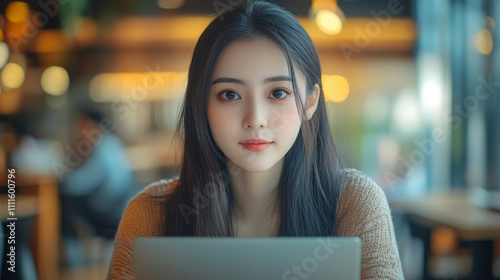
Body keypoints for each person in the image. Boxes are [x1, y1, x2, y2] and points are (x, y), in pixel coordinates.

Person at [107, 1, 403, 279]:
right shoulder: (149, 215)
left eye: (278, 93)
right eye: (230, 95)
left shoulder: (354, 204)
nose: (255, 118)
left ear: (311, 101)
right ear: (202, 104)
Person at [60, 108, 135, 266]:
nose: (79, 131)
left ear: (93, 126)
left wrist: (62, 179)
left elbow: (80, 184)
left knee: (65, 204)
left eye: (82, 126)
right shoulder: (112, 142)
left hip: (106, 208)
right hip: (119, 203)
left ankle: (72, 259)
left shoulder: (102, 148)